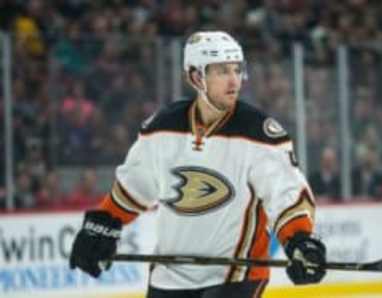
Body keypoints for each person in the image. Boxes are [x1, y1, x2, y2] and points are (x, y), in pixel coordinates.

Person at [69, 31, 327, 298]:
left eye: (237, 69)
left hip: (235, 276)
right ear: (196, 76)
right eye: (221, 71)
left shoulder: (260, 133)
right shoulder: (162, 127)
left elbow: (286, 197)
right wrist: (104, 223)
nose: (233, 80)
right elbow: (134, 188)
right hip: (169, 277)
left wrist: (299, 241)